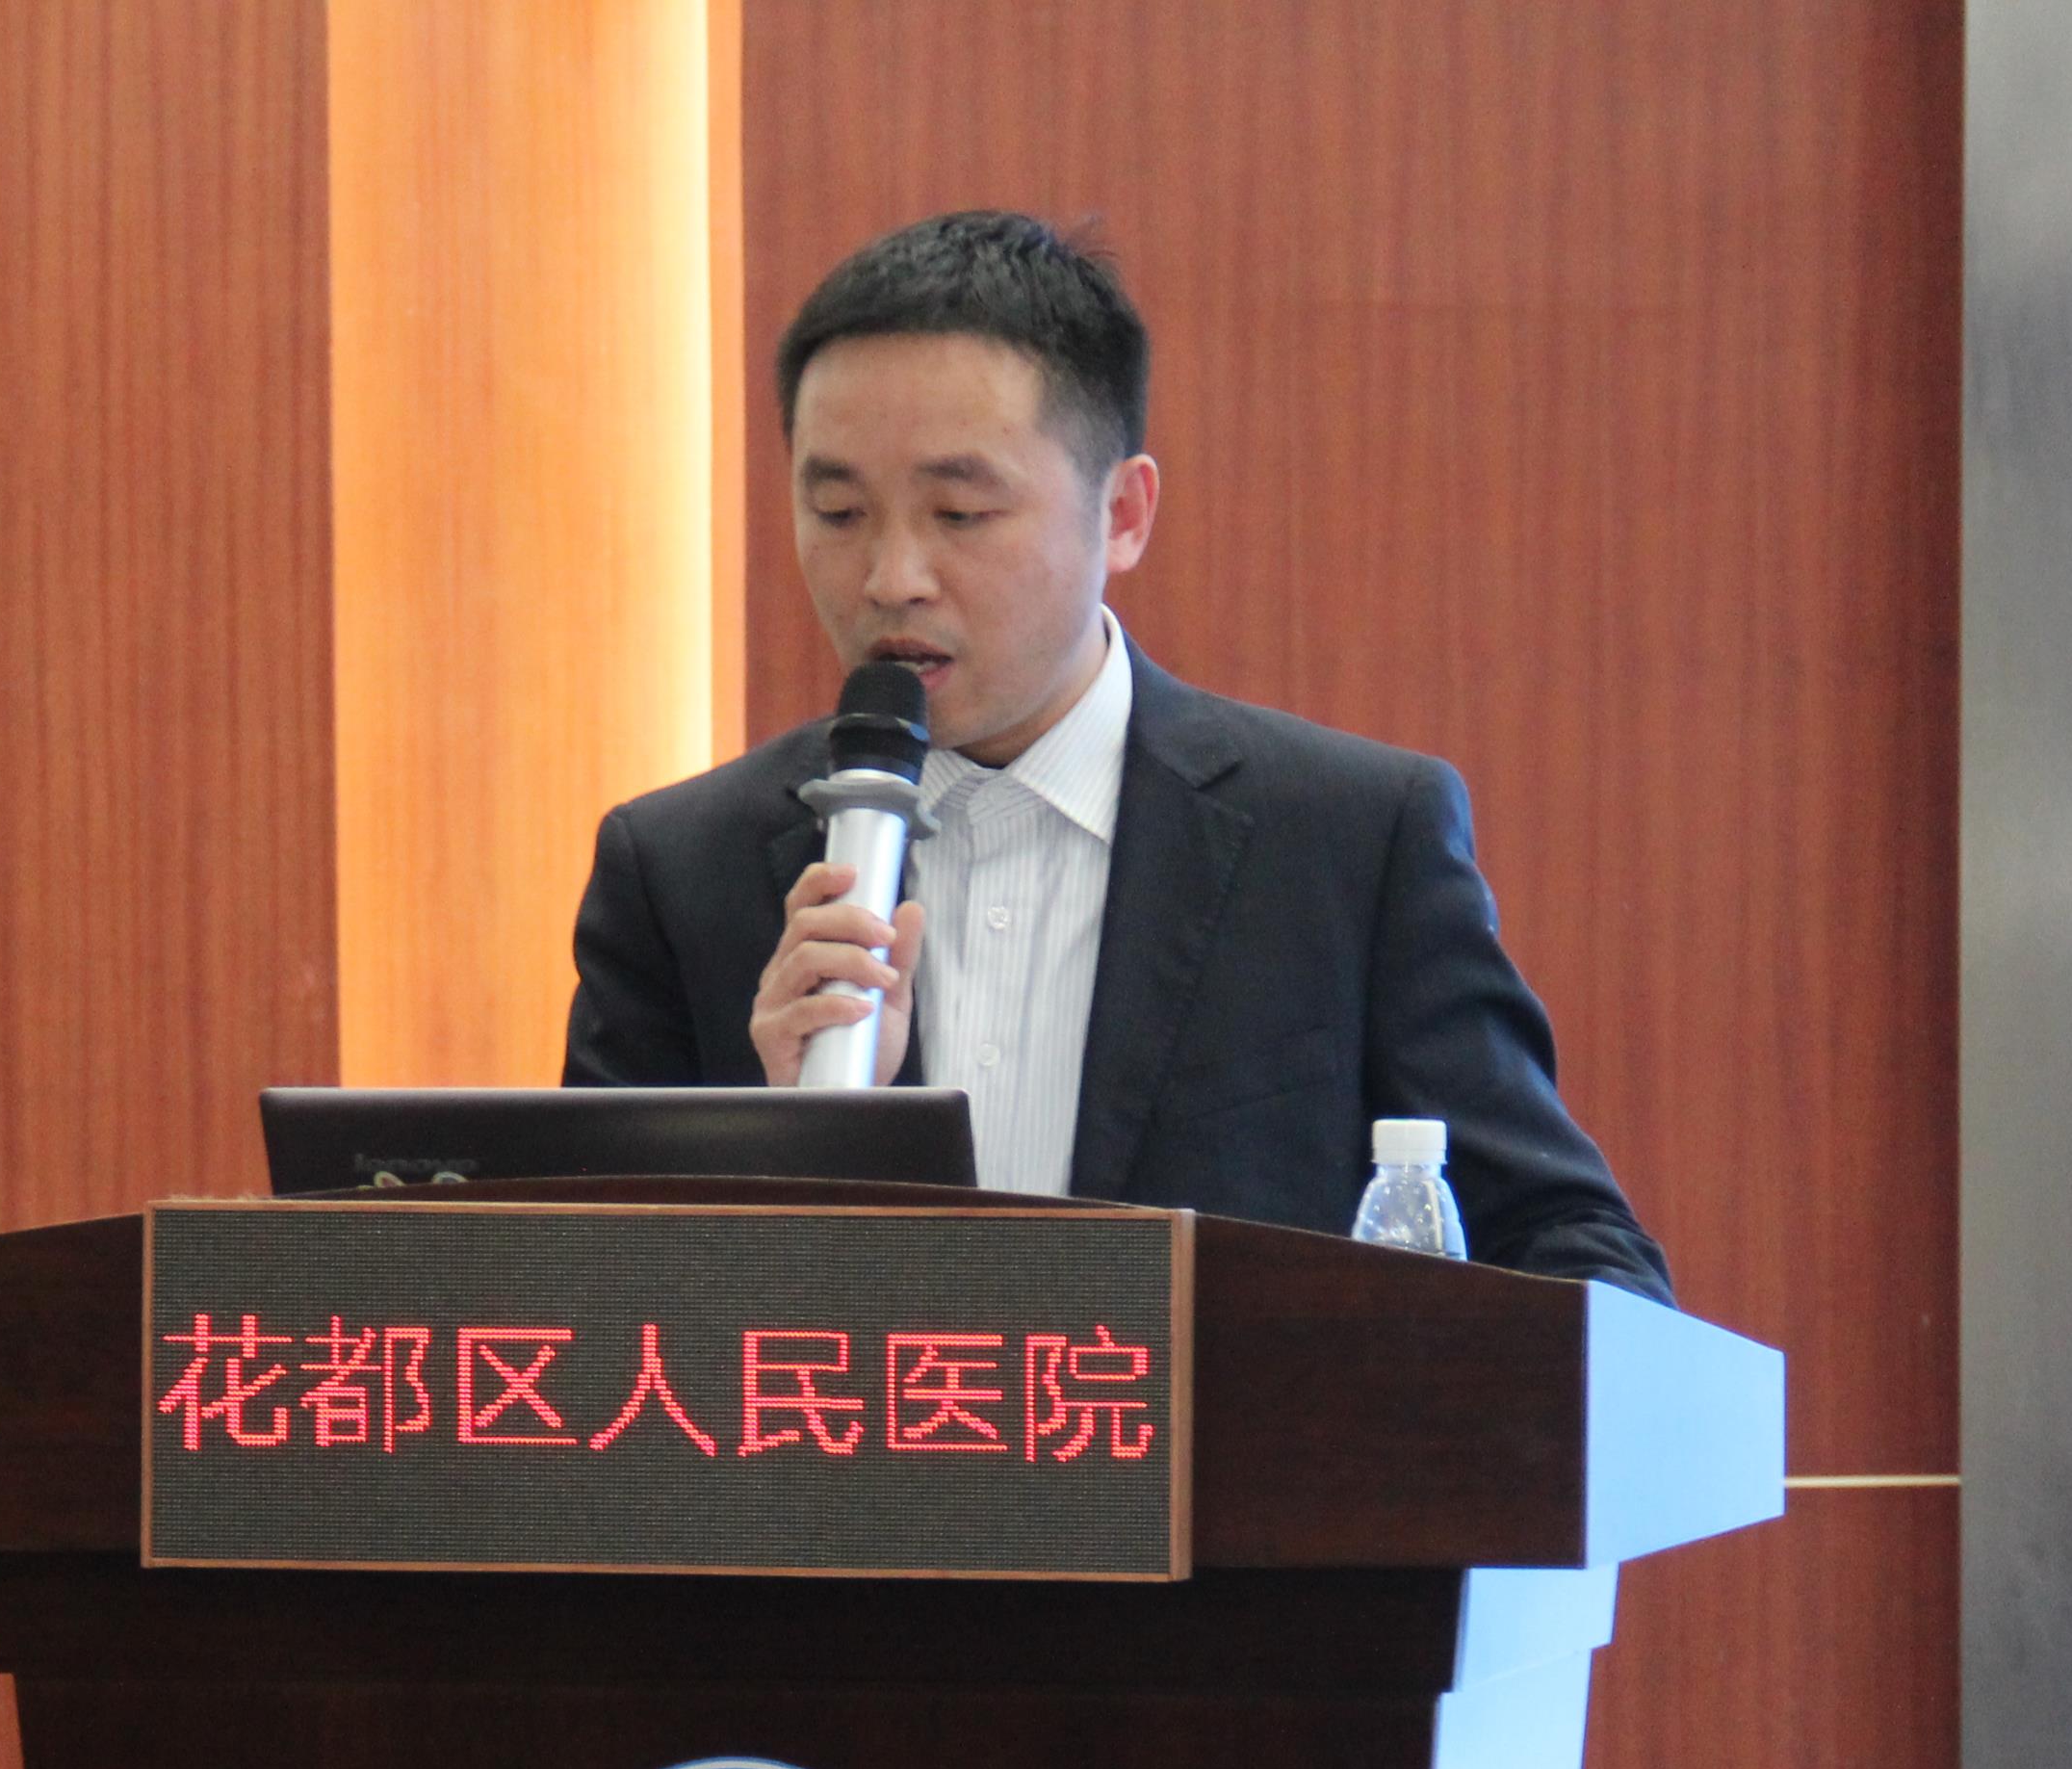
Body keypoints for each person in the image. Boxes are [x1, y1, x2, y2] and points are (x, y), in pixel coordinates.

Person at [560, 210, 1673, 1298]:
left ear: (1125, 513)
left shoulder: (1347, 842)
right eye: (841, 512)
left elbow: (1577, 1254)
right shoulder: (680, 870)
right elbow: (569, 1312)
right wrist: (775, 1143)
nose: (891, 578)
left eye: (960, 513)